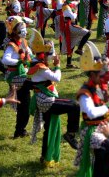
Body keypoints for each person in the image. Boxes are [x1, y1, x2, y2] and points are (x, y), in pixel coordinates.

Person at [28, 29, 80, 167]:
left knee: (49, 128)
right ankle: (70, 134)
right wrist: (57, 66)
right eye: (48, 55)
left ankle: (45, 157)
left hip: (42, 100)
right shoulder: (40, 67)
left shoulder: (35, 62)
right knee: (74, 105)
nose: (50, 58)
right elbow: (57, 78)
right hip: (46, 101)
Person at [75, 41, 109, 177]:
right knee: (107, 150)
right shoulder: (85, 94)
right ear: (92, 75)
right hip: (91, 131)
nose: (104, 77)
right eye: (100, 74)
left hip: (105, 126)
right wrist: (107, 106)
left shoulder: (99, 84)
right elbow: (90, 113)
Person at [2, 16, 32, 138]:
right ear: (14, 30)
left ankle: (20, 130)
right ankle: (20, 130)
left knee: (24, 104)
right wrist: (19, 61)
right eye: (20, 27)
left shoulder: (23, 42)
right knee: (24, 104)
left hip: (23, 74)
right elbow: (5, 59)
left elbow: (29, 55)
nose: (23, 29)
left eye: (23, 26)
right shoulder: (11, 45)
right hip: (16, 77)